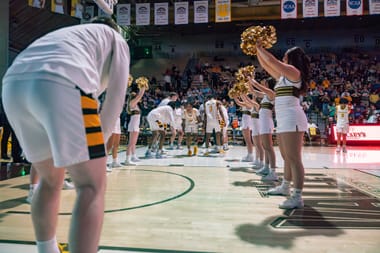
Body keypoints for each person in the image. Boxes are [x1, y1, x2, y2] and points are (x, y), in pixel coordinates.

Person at [2, 17, 130, 253]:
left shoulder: (70, 35)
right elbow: (115, 99)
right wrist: (96, 151)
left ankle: (47, 249)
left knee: (50, 181)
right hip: (61, 80)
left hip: (12, 85)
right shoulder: (117, 39)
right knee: (91, 186)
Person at [255, 43, 311, 209]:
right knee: (287, 157)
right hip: (284, 118)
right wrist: (256, 49)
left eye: (286, 56)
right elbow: (266, 65)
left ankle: (298, 196)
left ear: (292, 59)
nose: (283, 58)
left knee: (294, 158)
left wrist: (260, 46)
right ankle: (285, 186)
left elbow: (272, 61)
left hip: (292, 118)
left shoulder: (294, 72)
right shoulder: (283, 77)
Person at [250, 78, 277, 181]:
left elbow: (259, 88)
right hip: (263, 123)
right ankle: (266, 167)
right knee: (266, 147)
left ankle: (273, 172)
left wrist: (254, 81)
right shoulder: (266, 95)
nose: (263, 83)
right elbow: (253, 91)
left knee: (269, 147)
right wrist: (248, 81)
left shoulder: (271, 93)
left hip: (267, 123)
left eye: (265, 82)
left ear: (268, 83)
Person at [124, 87, 146, 166]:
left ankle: (133, 156)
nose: (138, 98)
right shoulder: (132, 103)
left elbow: (139, 98)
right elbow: (139, 96)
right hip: (133, 124)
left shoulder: (136, 104)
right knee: (131, 143)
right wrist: (142, 89)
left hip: (136, 125)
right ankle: (127, 159)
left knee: (134, 143)